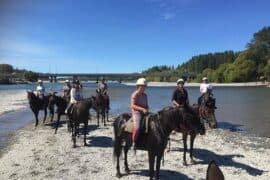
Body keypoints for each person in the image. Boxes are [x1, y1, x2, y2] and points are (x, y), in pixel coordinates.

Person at [130, 78, 149, 146]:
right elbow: (132, 105)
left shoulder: (145, 95)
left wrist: (147, 108)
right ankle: (133, 142)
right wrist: (142, 109)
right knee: (137, 127)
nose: (143, 88)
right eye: (142, 86)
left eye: (144, 86)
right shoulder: (134, 94)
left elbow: (146, 105)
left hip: (144, 112)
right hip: (136, 112)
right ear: (138, 86)